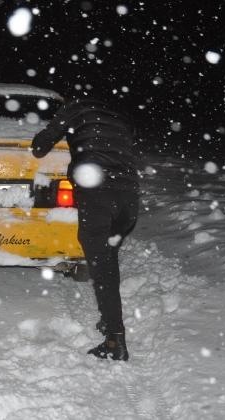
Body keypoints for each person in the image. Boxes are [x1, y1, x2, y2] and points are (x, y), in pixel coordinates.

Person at [31, 93, 139, 361]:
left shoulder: (74, 108)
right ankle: (108, 321)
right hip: (128, 197)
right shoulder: (119, 115)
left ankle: (115, 341)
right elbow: (126, 143)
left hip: (97, 193)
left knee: (102, 269)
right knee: (108, 260)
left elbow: (41, 147)